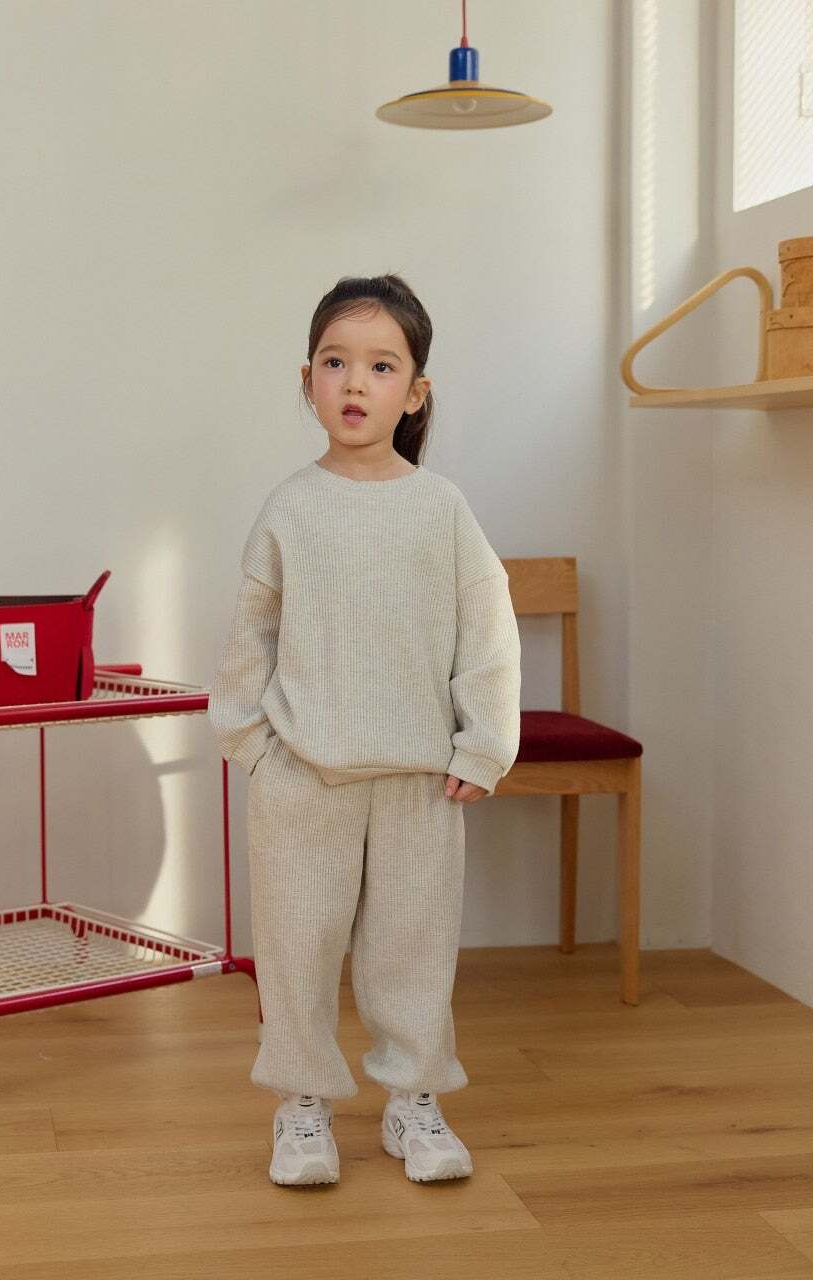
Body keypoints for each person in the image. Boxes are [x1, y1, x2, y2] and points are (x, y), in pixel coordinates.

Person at [207, 273, 521, 1187]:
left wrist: (483, 746)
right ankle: (301, 1104)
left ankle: (412, 1101)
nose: (355, 382)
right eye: (335, 362)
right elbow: (251, 638)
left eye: (381, 366)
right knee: (297, 951)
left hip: (420, 782)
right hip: (304, 777)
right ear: (306, 380)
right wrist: (254, 747)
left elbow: (488, 630)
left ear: (415, 393)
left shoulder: (442, 508)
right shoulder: (290, 508)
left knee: (412, 952)